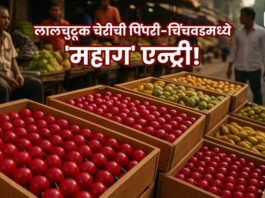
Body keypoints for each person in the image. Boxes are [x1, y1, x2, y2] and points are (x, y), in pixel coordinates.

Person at [0, 5, 44, 104]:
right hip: (2, 79)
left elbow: (13, 58)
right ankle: (4, 117)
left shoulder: (7, 36)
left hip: (9, 77)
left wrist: (18, 73)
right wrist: (7, 78)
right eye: (3, 17)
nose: (7, 21)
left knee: (35, 84)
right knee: (3, 86)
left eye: (8, 18)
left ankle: (35, 115)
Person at [227, 7, 265, 105]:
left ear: (250, 16)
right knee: (239, 94)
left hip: (255, 69)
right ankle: (239, 114)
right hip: (239, 69)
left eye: (242, 15)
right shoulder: (238, 32)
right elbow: (233, 50)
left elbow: (264, 51)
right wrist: (229, 67)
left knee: (257, 94)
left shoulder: (261, 32)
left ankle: (259, 113)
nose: (240, 18)